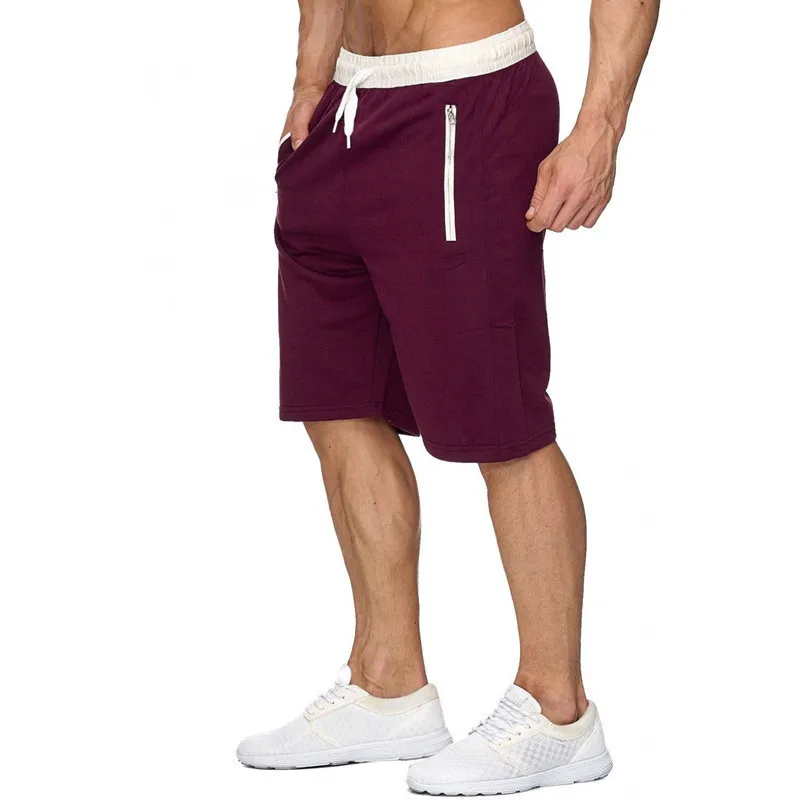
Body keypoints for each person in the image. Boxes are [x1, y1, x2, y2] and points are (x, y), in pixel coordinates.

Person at [237, 0, 659, 794]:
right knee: (337, 403)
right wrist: (310, 84)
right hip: (343, 110)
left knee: (500, 423)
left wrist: (600, 127)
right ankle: (387, 685)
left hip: (464, 97)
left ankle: (558, 713)